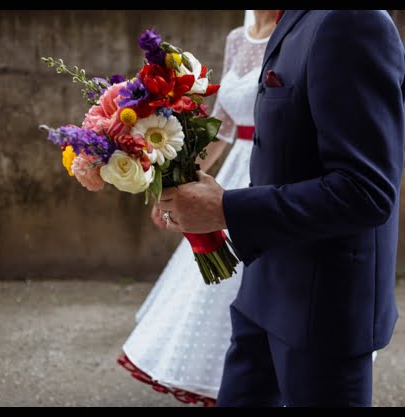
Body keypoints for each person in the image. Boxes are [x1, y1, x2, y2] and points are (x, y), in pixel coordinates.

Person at [155, 10, 405, 407]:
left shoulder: (353, 21)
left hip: (323, 305)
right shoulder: (292, 20)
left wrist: (226, 209)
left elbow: (366, 192)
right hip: (262, 286)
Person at [117, 10, 278, 406]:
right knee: (219, 280)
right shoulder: (236, 39)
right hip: (235, 167)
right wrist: (177, 187)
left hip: (271, 170)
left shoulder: (290, 34)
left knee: (259, 279)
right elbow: (222, 126)